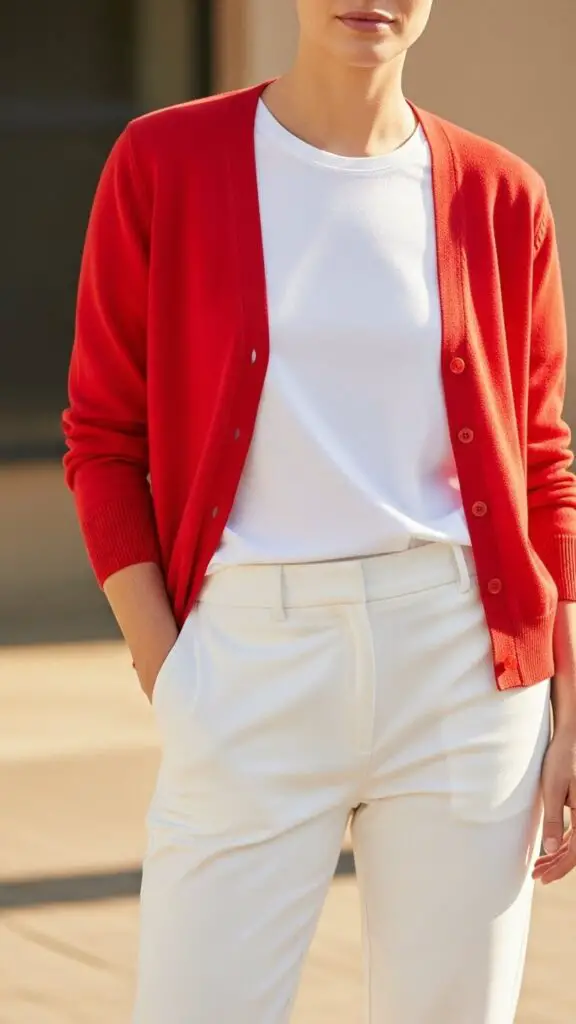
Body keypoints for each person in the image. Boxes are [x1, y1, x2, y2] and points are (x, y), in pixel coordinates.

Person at [63, 1, 576, 1021]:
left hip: (464, 676)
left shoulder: (504, 193)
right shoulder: (163, 161)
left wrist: (568, 691)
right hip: (249, 660)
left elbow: (545, 468)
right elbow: (103, 440)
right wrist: (174, 671)